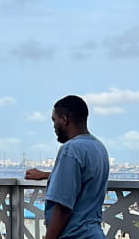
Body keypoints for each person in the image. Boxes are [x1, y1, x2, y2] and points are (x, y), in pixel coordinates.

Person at [24, 95, 110, 239]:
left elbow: (63, 206)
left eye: (54, 120)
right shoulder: (98, 148)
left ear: (64, 120)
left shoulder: (71, 149)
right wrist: (47, 175)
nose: (53, 126)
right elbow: (83, 177)